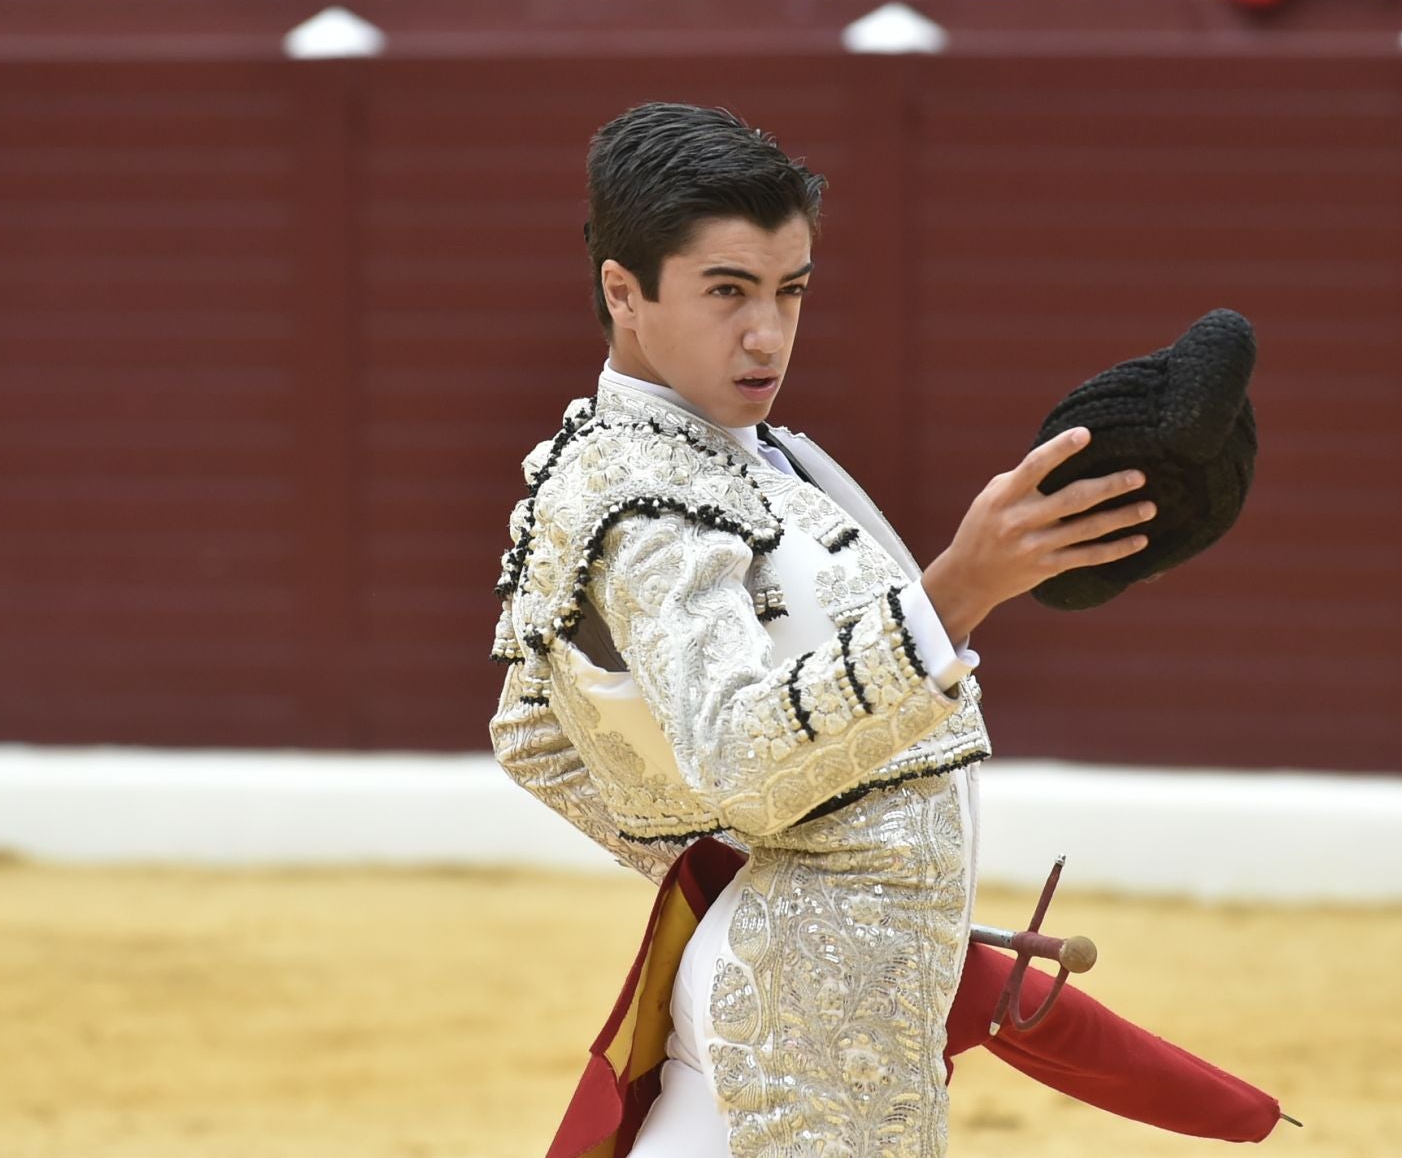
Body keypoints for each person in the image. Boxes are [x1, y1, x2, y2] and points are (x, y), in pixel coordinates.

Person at [488, 102, 1165, 1156]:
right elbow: (730, 758)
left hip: (808, 972)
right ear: (625, 291)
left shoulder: (731, 455)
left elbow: (535, 732)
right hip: (816, 999)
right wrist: (950, 596)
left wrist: (759, 863)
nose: (767, 333)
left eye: (789, 290)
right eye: (727, 292)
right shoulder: (654, 502)